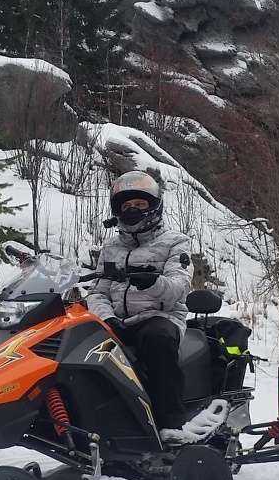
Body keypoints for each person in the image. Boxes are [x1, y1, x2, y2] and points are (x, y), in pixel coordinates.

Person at [86, 171, 202, 445]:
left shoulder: (176, 242)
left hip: (160, 317)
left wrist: (152, 282)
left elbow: (178, 288)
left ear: (153, 206)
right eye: (127, 206)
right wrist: (107, 318)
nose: (133, 210)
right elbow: (97, 291)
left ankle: (171, 423)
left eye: (139, 205)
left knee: (157, 338)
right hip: (118, 321)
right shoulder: (111, 247)